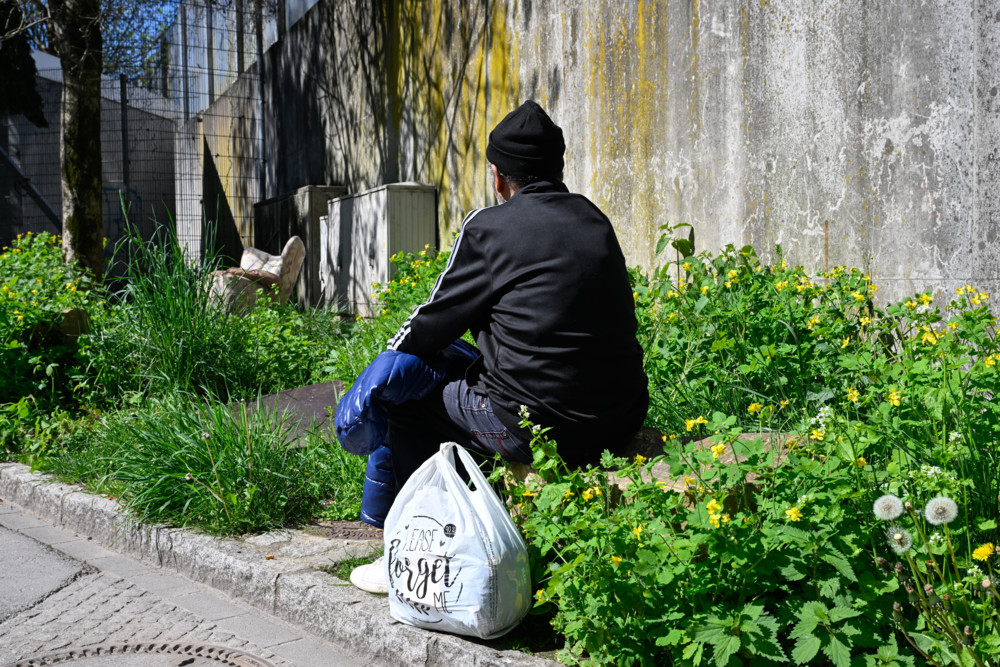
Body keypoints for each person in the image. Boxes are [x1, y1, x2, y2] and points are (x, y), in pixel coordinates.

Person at [349, 100, 648, 593]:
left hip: (531, 423)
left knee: (406, 393)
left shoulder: (489, 228)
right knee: (462, 370)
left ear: (497, 176)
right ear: (559, 167)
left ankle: (409, 551)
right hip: (620, 415)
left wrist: (382, 366)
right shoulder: (595, 221)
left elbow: (428, 327)